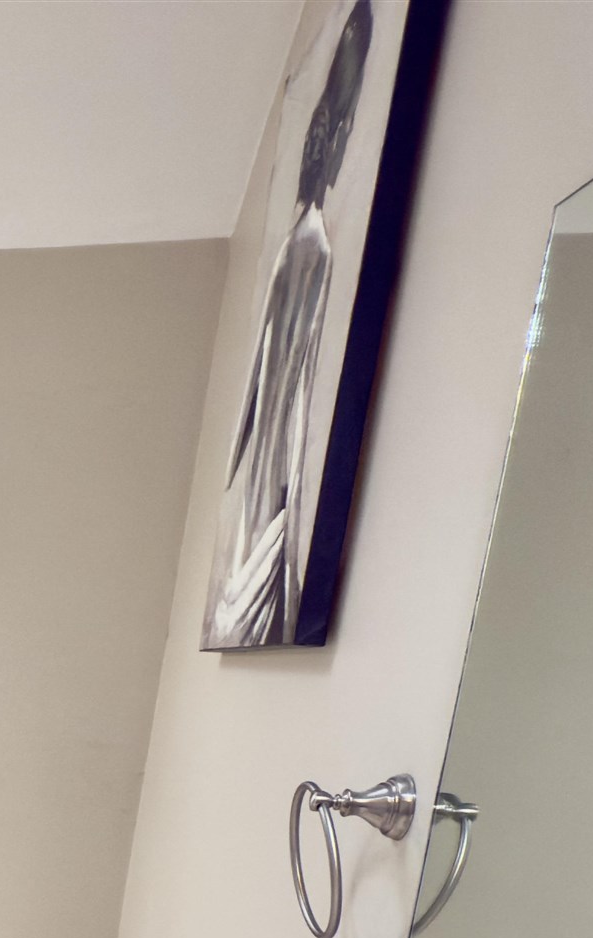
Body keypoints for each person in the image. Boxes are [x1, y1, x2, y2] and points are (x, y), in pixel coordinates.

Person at [207, 0, 373, 649]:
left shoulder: (311, 250)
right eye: (321, 126)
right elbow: (261, 383)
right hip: (270, 462)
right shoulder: (300, 248)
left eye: (333, 127)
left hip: (275, 458)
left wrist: (284, 490)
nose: (322, 140)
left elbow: (292, 390)